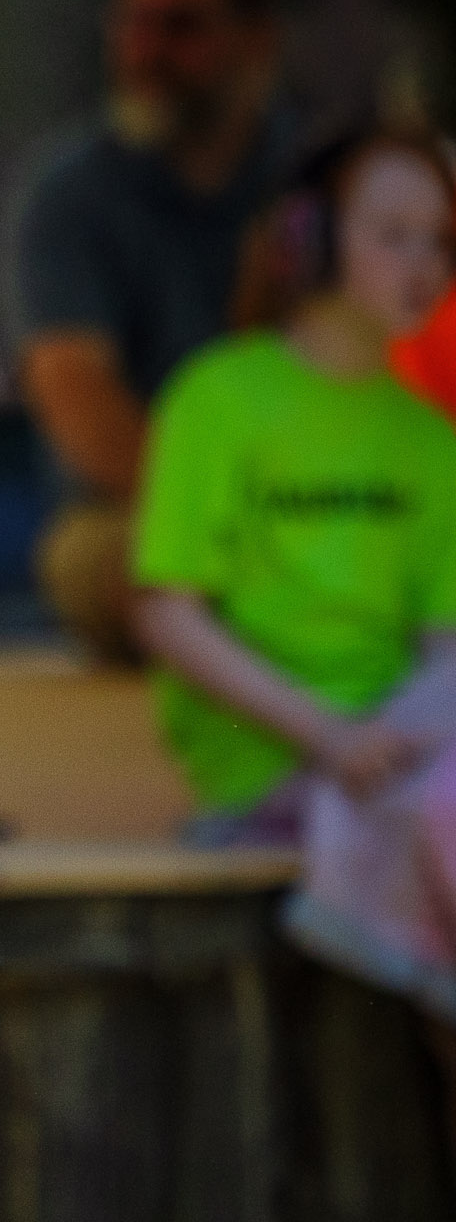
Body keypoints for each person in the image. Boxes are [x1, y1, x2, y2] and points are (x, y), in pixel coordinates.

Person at [131, 124, 456, 830]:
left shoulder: (434, 439)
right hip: (263, 771)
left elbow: (445, 647)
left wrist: (394, 740)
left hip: (401, 771)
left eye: (440, 239)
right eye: (394, 234)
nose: (424, 263)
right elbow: (167, 614)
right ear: (308, 240)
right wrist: (330, 737)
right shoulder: (215, 398)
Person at [13, 0, 298, 660]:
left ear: (257, 40)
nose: (147, 50)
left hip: (332, 500)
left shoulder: (314, 187)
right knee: (113, 565)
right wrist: (240, 527)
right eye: (133, 22)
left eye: (182, 26)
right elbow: (78, 402)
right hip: (141, 514)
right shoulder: (69, 195)